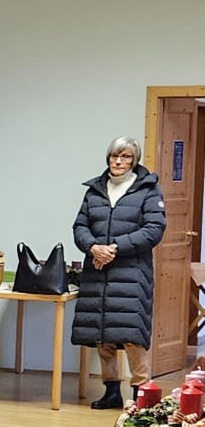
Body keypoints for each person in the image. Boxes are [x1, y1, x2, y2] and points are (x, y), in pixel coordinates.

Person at [72, 136, 167, 409]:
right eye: (115, 156)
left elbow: (154, 229)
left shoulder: (149, 190)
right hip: (97, 272)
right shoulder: (94, 191)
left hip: (131, 274)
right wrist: (93, 247)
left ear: (134, 160)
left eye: (125, 156)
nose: (118, 161)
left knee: (132, 334)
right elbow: (80, 227)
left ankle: (141, 394)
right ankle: (111, 390)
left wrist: (114, 247)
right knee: (103, 334)